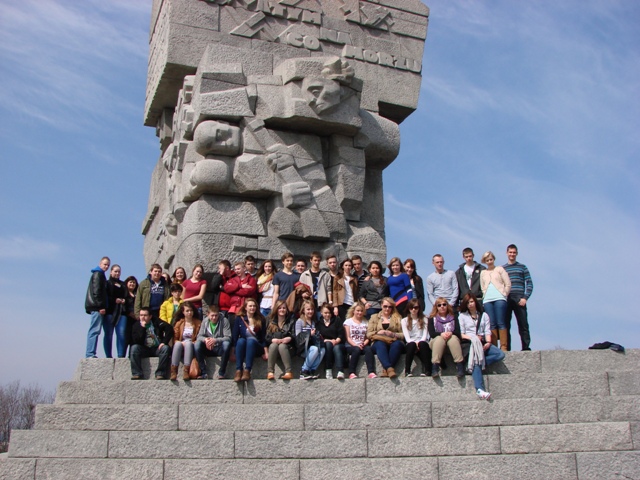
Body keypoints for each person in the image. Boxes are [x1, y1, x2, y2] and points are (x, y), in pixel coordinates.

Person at [459, 293, 505, 400]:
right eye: (468, 303)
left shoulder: (484, 315)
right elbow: (461, 334)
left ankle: (477, 364)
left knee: (499, 354)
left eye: (471, 302)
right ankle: (480, 389)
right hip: (470, 343)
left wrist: (488, 342)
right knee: (476, 361)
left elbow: (487, 331)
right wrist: (473, 338)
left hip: (482, 342)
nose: (470, 304)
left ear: (475, 302)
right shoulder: (462, 316)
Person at [503, 244, 534, 351]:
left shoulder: (522, 267)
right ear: (507, 253)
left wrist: (525, 297)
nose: (512, 254)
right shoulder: (502, 269)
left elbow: (529, 283)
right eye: (510, 252)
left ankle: (526, 347)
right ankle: (507, 349)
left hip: (519, 298)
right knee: (506, 325)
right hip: (507, 298)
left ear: (517, 253)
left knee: (523, 324)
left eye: (514, 252)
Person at [480, 251, 511, 352]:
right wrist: (485, 295)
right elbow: (482, 286)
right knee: (491, 323)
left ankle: (503, 346)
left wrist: (504, 294)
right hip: (488, 300)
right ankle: (494, 346)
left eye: (491, 259)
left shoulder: (500, 269)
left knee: (501, 322)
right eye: (487, 260)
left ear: (494, 259)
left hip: (499, 298)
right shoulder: (483, 273)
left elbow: (508, 283)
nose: (489, 261)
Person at [130, 307, 173, 380]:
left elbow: (169, 328)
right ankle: (137, 373)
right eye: (141, 315)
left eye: (145, 315)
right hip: (144, 348)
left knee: (165, 348)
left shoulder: (156, 321)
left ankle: (160, 373)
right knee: (134, 348)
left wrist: (164, 342)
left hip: (157, 348)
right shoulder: (136, 325)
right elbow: (136, 341)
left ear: (150, 316)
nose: (143, 317)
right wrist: (142, 328)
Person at [367, 297, 404, 378]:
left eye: (390, 307)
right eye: (385, 306)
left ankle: (386, 369)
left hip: (393, 340)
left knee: (397, 344)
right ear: (381, 306)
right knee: (380, 344)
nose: (387, 309)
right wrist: (378, 332)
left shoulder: (398, 317)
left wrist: (393, 334)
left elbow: (403, 334)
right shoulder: (374, 317)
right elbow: (368, 334)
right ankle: (389, 368)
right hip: (379, 341)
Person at [232, 298, 267, 382]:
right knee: (240, 341)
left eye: (254, 306)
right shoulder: (239, 319)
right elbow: (235, 336)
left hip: (256, 345)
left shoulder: (261, 319)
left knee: (251, 341)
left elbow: (263, 337)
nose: (252, 308)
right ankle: (238, 370)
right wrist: (232, 352)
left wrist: (266, 352)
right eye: (250, 306)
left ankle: (247, 370)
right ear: (245, 307)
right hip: (244, 345)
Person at [427, 297, 464, 378]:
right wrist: (441, 334)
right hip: (436, 342)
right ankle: (435, 368)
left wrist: (451, 333)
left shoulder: (454, 317)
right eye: (439, 305)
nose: (442, 307)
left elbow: (458, 332)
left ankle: (460, 366)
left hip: (451, 342)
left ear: (447, 306)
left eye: (444, 304)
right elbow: (432, 333)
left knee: (453, 339)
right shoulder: (432, 318)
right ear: (436, 307)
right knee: (439, 339)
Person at [194, 304, 232, 379]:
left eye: (216, 315)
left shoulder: (224, 321)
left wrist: (215, 340)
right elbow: (199, 336)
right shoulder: (205, 321)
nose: (214, 318)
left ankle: (221, 373)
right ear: (208, 314)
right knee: (197, 344)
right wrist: (206, 340)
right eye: (212, 315)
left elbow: (228, 337)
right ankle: (203, 372)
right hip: (208, 347)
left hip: (219, 347)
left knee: (226, 344)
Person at [85, 256, 110, 358]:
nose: (106, 266)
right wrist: (100, 306)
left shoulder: (100, 274)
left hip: (96, 306)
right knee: (94, 330)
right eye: (105, 264)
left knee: (95, 330)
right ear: (100, 264)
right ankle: (90, 353)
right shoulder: (98, 274)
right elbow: (96, 292)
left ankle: (90, 353)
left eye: (108, 265)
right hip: (96, 307)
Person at [170, 301, 202, 381]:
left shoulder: (198, 323)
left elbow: (199, 337)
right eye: (187, 311)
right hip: (181, 345)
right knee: (178, 344)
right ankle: (174, 371)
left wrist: (192, 342)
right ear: (183, 312)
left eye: (191, 310)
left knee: (188, 344)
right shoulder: (179, 323)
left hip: (192, 345)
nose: (189, 313)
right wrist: (179, 342)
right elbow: (175, 338)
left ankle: (186, 371)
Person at [343, 303, 376, 379]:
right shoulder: (348, 322)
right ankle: (351, 372)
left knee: (369, 349)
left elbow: (367, 337)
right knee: (356, 350)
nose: (360, 312)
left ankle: (371, 372)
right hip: (351, 345)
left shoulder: (366, 322)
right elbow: (348, 337)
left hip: (362, 344)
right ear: (353, 311)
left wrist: (363, 344)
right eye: (358, 310)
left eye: (361, 311)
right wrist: (355, 345)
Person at [265, 300, 295, 380]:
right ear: (276, 309)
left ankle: (288, 372)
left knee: (282, 346)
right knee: (273, 345)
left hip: (288, 348)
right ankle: (270, 372)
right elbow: (266, 336)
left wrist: (289, 338)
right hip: (274, 348)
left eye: (284, 308)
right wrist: (272, 340)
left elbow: (294, 335)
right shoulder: (270, 321)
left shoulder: (291, 321)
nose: (282, 310)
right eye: (280, 308)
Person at [401, 298, 431, 377]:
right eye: (411, 308)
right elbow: (407, 337)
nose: (413, 310)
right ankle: (407, 370)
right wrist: (414, 343)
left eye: (416, 307)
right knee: (411, 345)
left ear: (419, 308)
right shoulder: (404, 320)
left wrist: (419, 342)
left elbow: (425, 334)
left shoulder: (424, 319)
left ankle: (427, 370)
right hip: (411, 342)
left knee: (422, 344)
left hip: (422, 341)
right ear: (408, 308)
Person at [295, 300, 325, 379]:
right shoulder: (299, 321)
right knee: (315, 349)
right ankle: (304, 371)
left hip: (312, 345)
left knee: (322, 350)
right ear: (303, 310)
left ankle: (311, 370)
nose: (310, 311)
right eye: (308, 309)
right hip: (303, 348)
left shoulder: (313, 322)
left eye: (312, 309)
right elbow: (298, 337)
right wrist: (309, 334)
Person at [316, 303, 345, 379]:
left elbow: (341, 334)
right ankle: (328, 369)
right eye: (325, 313)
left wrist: (336, 341)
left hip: (338, 343)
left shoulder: (337, 320)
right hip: (325, 343)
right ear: (321, 313)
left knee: (337, 348)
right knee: (328, 344)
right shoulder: (319, 323)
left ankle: (340, 371)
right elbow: (318, 336)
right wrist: (328, 340)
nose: (327, 315)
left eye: (329, 313)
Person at [105, 264, 127, 358]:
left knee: (121, 333)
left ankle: (121, 355)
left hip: (121, 312)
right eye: (115, 271)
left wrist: (124, 300)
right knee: (109, 334)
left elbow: (127, 296)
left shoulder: (123, 284)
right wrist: (114, 300)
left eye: (119, 272)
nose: (117, 273)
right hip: (110, 312)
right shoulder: (106, 283)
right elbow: (105, 296)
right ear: (111, 272)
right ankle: (108, 356)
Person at [123, 275, 138, 355]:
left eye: (134, 282)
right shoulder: (124, 293)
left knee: (134, 337)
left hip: (135, 319)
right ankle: (122, 355)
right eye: (130, 282)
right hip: (126, 318)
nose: (132, 284)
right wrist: (129, 313)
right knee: (126, 337)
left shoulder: (137, 294)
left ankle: (131, 355)